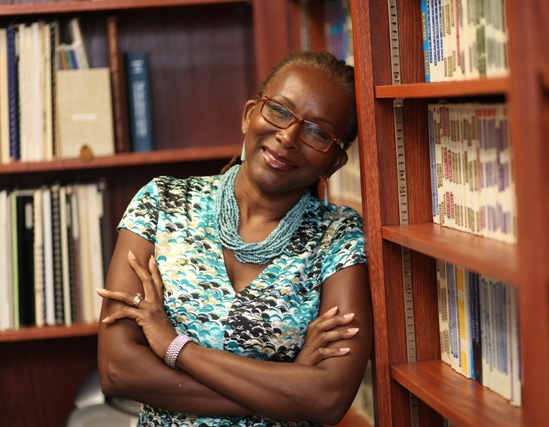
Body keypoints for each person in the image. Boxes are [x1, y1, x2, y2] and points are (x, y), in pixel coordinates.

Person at [96, 50, 372, 427]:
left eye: (317, 132)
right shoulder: (162, 202)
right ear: (249, 116)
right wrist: (284, 389)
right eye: (279, 111)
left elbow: (326, 399)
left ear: (334, 162)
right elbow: (117, 370)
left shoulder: (337, 236)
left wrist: (174, 347)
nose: (288, 136)